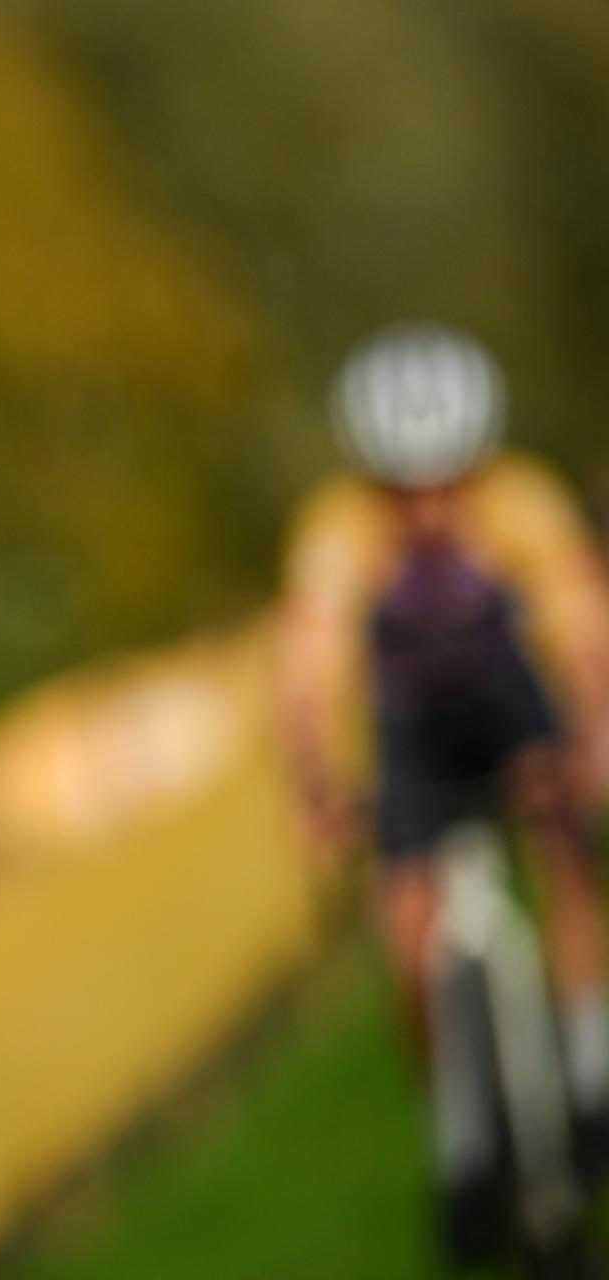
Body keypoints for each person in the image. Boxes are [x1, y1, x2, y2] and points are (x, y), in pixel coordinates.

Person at [277, 320, 609, 1247]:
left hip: (512, 702)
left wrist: (588, 741)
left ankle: (589, 1071)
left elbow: (584, 628)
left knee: (565, 854)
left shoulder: (524, 501)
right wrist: (315, 786)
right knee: (406, 928)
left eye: (448, 482)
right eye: (403, 489)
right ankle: (459, 1138)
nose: (428, 509)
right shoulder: (337, 529)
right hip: (411, 731)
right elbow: (308, 668)